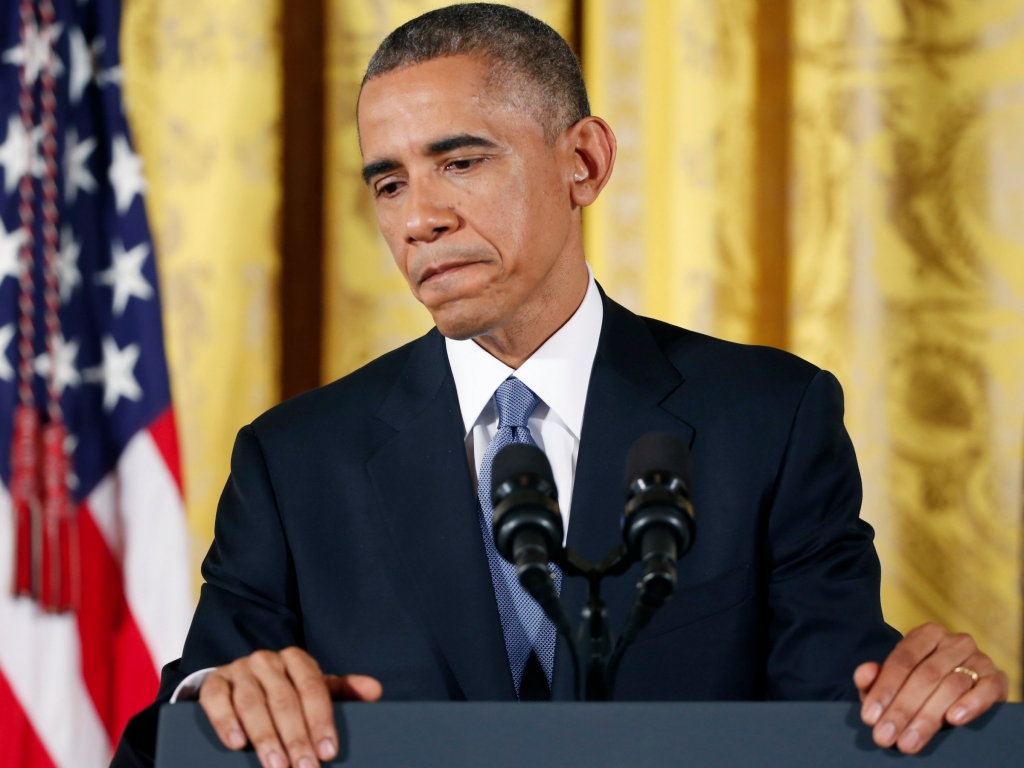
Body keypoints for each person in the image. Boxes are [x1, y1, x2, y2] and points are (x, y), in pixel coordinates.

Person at [111, 5, 1009, 768]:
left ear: (583, 161)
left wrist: (933, 707)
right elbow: (162, 743)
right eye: (389, 182)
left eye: (460, 162)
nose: (419, 217)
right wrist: (217, 698)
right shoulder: (295, 460)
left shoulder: (769, 419)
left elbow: (843, 715)